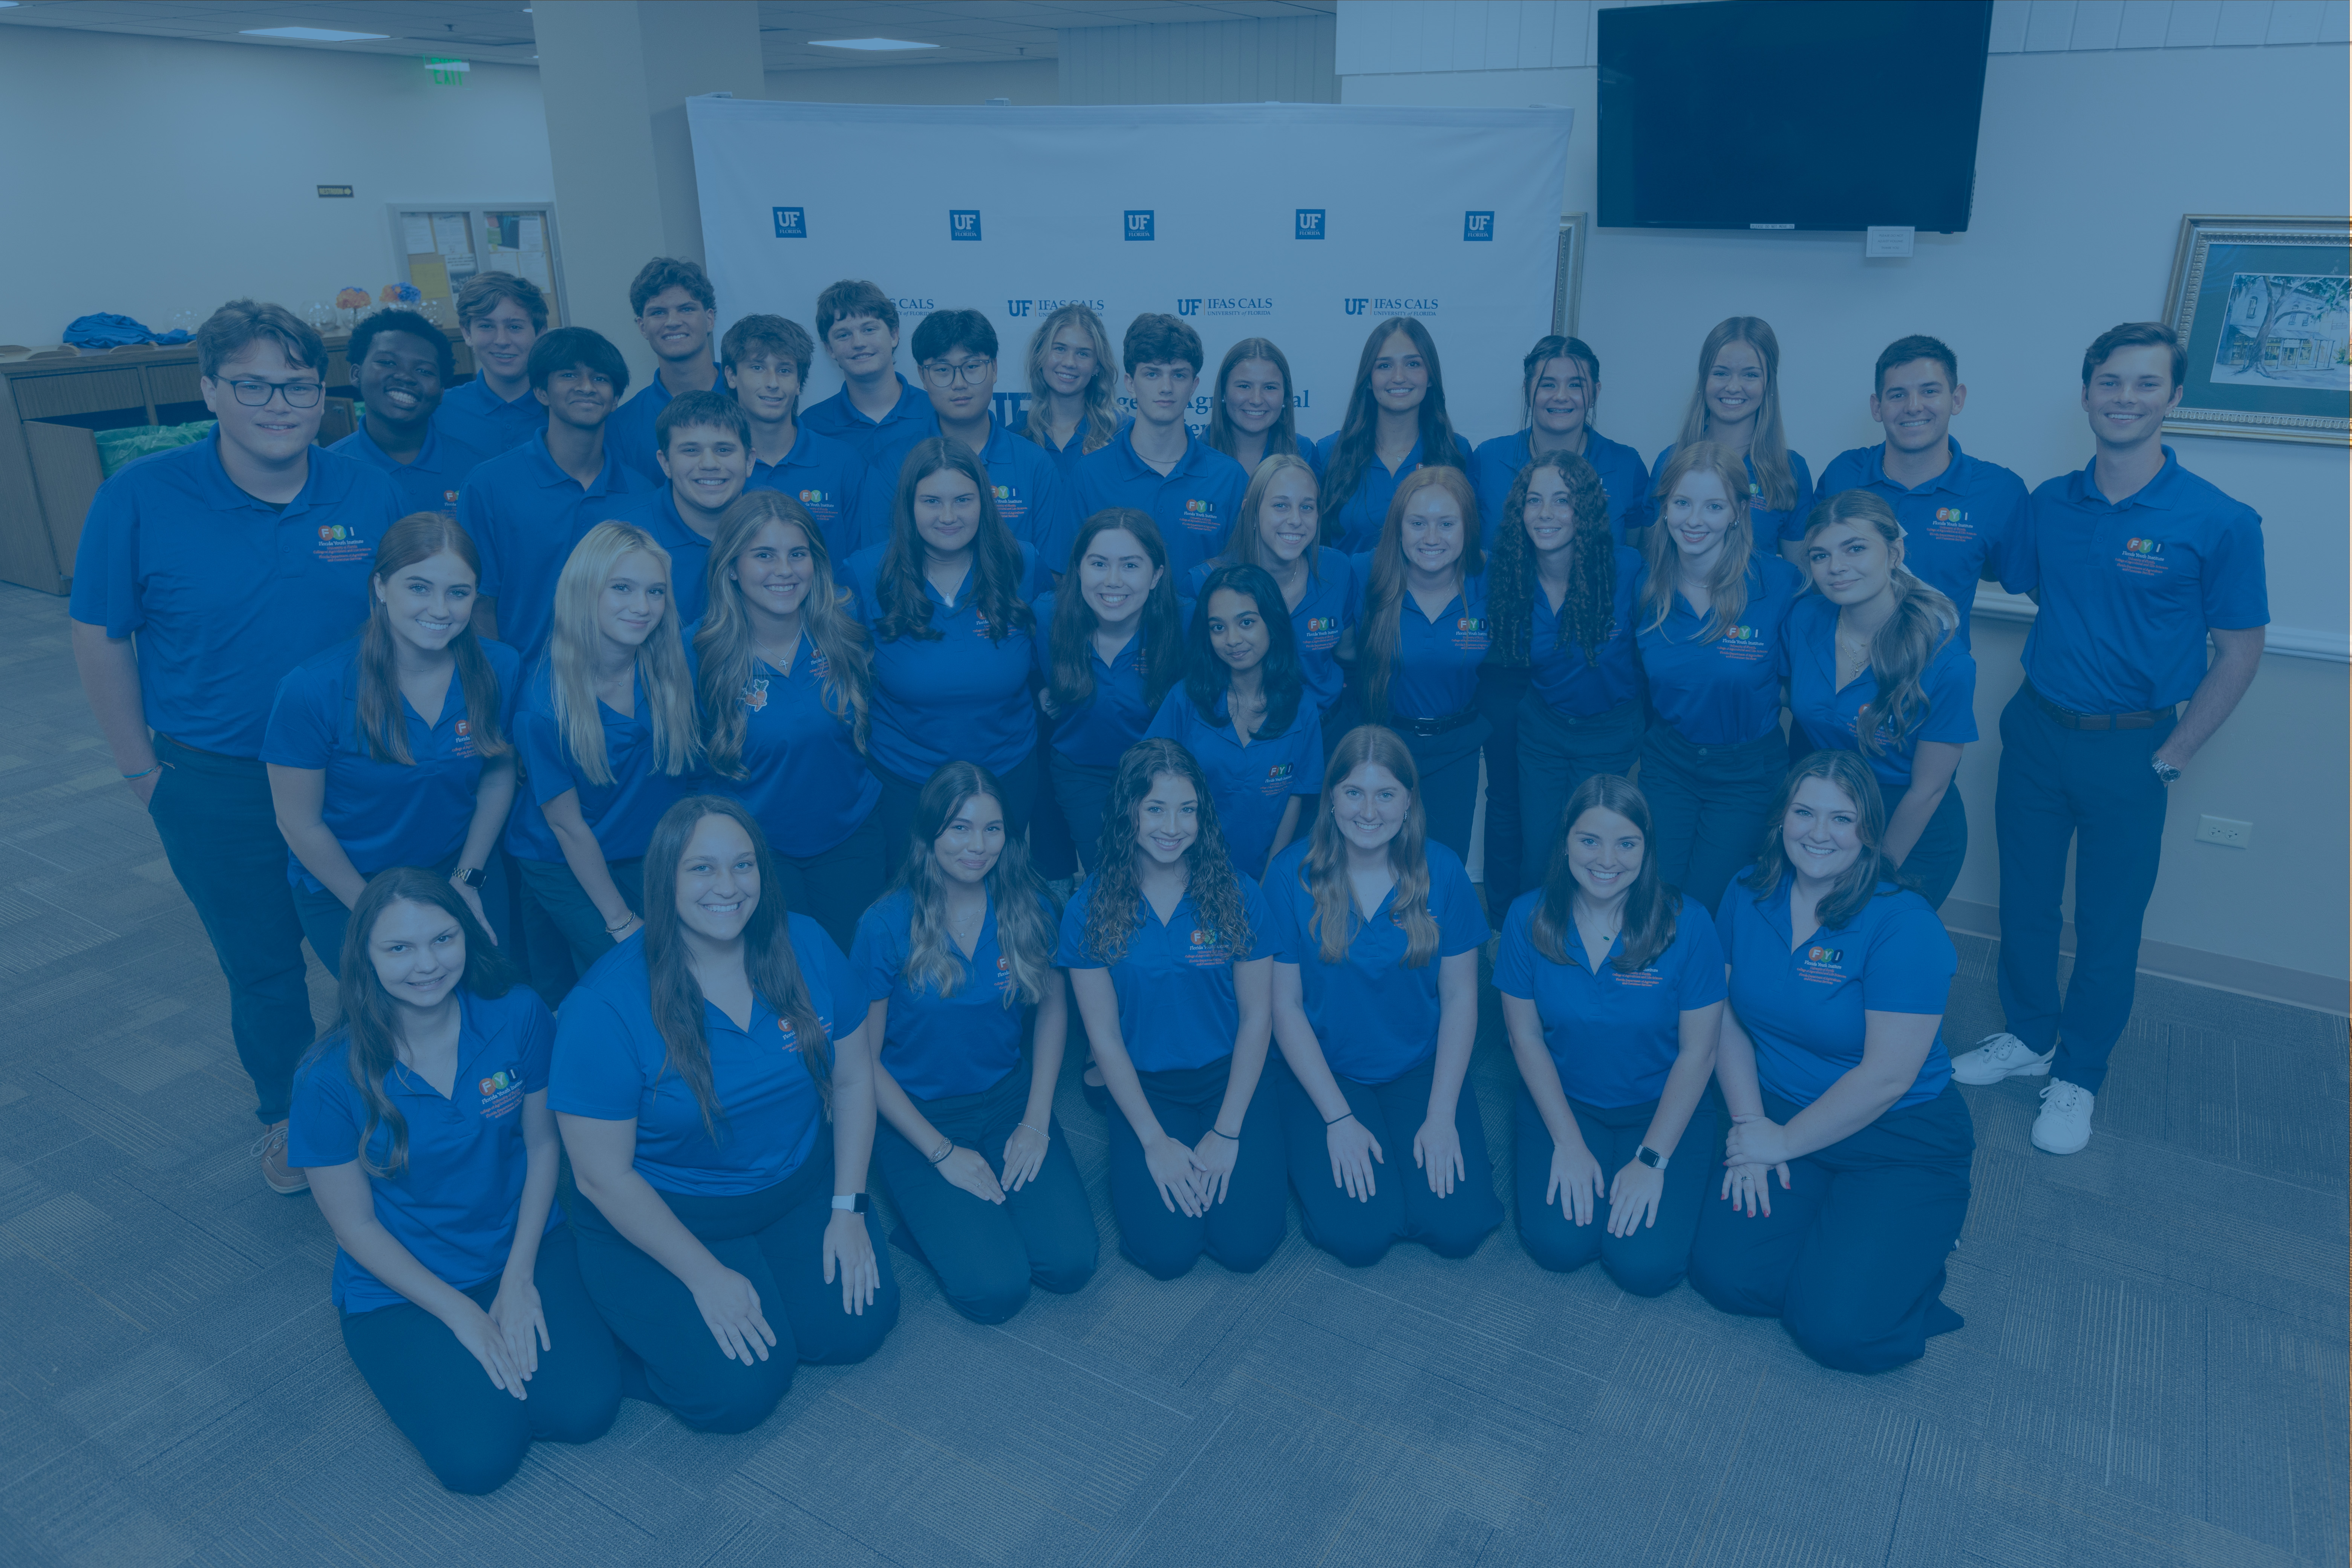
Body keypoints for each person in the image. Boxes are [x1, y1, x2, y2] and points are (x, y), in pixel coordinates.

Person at [70, 299, 402, 1194]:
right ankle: (290, 1118)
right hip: (215, 781)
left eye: (297, 383)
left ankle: (395, 1100)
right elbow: (102, 634)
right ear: (209, 389)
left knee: (377, 950)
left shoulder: (364, 489)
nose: (278, 402)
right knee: (260, 965)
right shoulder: (141, 497)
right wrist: (141, 770)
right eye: (252, 383)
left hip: (350, 773)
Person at [1955, 322, 2268, 1156]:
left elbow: (2240, 651)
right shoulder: (2051, 503)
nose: (2125, 398)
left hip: (2133, 749)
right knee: (2024, 902)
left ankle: (2079, 1075)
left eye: (2145, 384)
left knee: (2107, 923)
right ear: (2087, 393)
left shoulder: (2219, 519)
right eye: (2110, 383)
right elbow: (1987, 564)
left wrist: (2177, 753)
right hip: (2036, 729)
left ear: (2174, 398)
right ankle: (2029, 1036)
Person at [553, 797, 897, 1433]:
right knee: (739, 1396)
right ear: (664, 881)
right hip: (671, 1208)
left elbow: (853, 1079)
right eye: (702, 870)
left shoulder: (808, 945)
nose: (728, 887)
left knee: (856, 1329)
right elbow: (602, 1177)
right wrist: (704, 1276)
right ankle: (623, 1321)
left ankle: (759, 1281)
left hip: (792, 1189)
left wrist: (849, 1208)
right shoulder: (604, 1007)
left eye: (743, 866)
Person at [289, 868, 619, 1493]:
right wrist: (461, 1313)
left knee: (584, 1412)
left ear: (468, 935)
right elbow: (355, 1226)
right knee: (480, 1461)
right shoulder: (328, 1079)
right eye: (399, 949)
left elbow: (545, 1145)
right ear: (364, 956)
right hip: (406, 1282)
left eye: (443, 939)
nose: (427, 965)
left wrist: (519, 1276)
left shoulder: (517, 1013)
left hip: (521, 1244)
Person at [1687, 752, 1972, 1374]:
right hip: (1784, 1110)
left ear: (1869, 831)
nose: (1819, 833)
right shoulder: (1747, 892)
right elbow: (1725, 1017)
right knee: (1726, 1278)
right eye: (1805, 813)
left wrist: (1782, 1145)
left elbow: (1887, 1077)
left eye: (1842, 819)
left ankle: (1913, 1232)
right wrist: (1749, 1127)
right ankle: (1848, 1235)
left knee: (1838, 1330)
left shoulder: (1904, 924)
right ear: (1781, 820)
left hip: (1898, 1133)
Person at [853, 764, 1098, 1323]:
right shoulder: (884, 925)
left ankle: (976, 1219)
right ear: (929, 834)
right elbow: (860, 1063)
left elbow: (1055, 1005)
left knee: (1070, 1265)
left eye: (992, 830)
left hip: (1008, 1100)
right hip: (919, 1115)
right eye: (960, 829)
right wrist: (940, 1152)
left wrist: (1037, 1120)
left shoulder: (1027, 905)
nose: (978, 846)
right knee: (996, 1292)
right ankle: (940, 1221)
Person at [1265, 726, 1499, 1267]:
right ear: (1331, 799)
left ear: (1409, 801)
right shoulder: (1288, 876)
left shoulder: (1442, 871)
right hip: (1325, 1070)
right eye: (1353, 793)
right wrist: (1338, 1120)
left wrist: (1442, 1113)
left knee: (1456, 1228)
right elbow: (1284, 1007)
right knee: (1360, 1237)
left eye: (1386, 794)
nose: (1369, 812)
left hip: (1418, 1065)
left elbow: (1463, 997)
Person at [1055, 740, 1285, 1279]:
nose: (1172, 827)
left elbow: (1258, 1018)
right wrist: (1154, 1141)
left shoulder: (1238, 893)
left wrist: (1228, 1131)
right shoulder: (1088, 908)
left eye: (1187, 810)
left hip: (1231, 1080)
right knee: (1167, 1254)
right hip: (1147, 1090)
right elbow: (1105, 1039)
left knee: (1246, 1247)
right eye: (1156, 808)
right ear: (1128, 812)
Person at [1495, 775, 1724, 1296]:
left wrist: (1652, 1160)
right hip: (1566, 1101)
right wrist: (1568, 1142)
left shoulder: (1689, 924)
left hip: (1661, 1105)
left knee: (1645, 1267)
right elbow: (1525, 1038)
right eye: (1590, 840)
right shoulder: (1526, 917)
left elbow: (1700, 1052)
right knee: (1559, 1246)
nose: (1608, 859)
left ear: (1647, 847)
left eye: (1627, 843)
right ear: (1566, 843)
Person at [264, 514, 520, 975]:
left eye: (458, 593)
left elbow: (498, 774)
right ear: (381, 587)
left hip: (457, 867)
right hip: (350, 883)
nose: (441, 610)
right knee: (400, 1016)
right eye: (419, 588)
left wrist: (468, 877)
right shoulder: (313, 688)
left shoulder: (499, 667)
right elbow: (299, 823)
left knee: (494, 996)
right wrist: (374, 913)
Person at [503, 522, 697, 995]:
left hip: (641, 843)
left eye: (655, 591)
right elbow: (569, 828)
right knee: (628, 971)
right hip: (564, 856)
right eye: (622, 588)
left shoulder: (671, 667)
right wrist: (620, 920)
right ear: (584, 591)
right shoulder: (542, 705)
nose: (642, 606)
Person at [691, 489, 883, 956]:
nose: (784, 570)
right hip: (756, 853)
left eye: (798, 554)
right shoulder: (699, 652)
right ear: (732, 566)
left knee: (853, 973)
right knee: (782, 979)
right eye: (764, 555)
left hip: (852, 840)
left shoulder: (847, 628)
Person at [843, 437, 1044, 868]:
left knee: (1000, 905)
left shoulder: (1022, 565)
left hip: (1007, 774)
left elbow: (1048, 668)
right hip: (906, 781)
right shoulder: (865, 573)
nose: (949, 516)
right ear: (908, 505)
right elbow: (846, 681)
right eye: (932, 501)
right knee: (916, 911)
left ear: (984, 503)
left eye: (963, 500)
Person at [1632, 443, 1806, 914]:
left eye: (1714, 506)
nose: (1695, 519)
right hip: (1669, 763)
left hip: (1746, 772)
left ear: (1738, 512)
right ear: (1664, 507)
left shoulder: (1780, 583)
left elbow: (1802, 681)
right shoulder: (1645, 587)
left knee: (1704, 905)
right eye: (1683, 503)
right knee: (1652, 896)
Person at [1785, 491, 1973, 910]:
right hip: (1827, 817)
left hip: (1908, 825)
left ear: (1895, 552)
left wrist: (1874, 869)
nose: (1836, 567)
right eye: (1820, 555)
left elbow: (1929, 789)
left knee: (1878, 950)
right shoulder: (1804, 619)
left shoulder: (1946, 660)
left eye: (1855, 549)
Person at [1485, 452, 1646, 890]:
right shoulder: (1509, 579)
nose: (1546, 514)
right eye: (1534, 501)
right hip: (1543, 732)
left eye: (1562, 500)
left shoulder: (1627, 569)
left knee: (1593, 852)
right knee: (1540, 855)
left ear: (1586, 510)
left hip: (1610, 732)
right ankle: (1536, 949)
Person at [1813, 335, 2030, 650]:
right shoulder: (1842, 475)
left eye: (1930, 391)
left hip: (1936, 686)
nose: (1914, 407)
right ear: (1878, 407)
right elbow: (1814, 575)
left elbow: (2021, 582)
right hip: (1841, 674)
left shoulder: (1999, 491)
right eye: (1898, 395)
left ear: (1957, 399)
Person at [458, 325, 637, 662]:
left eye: (600, 379)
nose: (586, 387)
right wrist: (500, 686)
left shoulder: (642, 492)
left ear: (615, 400)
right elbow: (479, 603)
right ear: (541, 392)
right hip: (525, 689)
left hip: (624, 687)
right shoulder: (489, 486)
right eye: (569, 375)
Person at [853, 308, 1078, 566]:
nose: (958, 383)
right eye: (942, 370)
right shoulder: (891, 465)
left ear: (994, 369)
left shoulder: (1034, 464)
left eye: (972, 367)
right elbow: (879, 568)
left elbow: (1050, 576)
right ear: (923, 377)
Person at [1145, 564, 1325, 879]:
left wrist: (1271, 878)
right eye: (1218, 627)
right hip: (1181, 871)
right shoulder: (1185, 699)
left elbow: (1295, 798)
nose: (1232, 639)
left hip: (1260, 875)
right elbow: (1148, 786)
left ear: (1273, 623)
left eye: (1246, 623)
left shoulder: (1303, 708)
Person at [1351, 466, 1490, 863]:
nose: (1431, 538)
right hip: (1385, 743)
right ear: (1398, 528)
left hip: (1456, 747)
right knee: (1377, 860)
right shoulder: (1364, 573)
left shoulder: (1490, 576)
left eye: (1447, 524)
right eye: (1417, 523)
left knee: (1444, 863)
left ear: (1468, 528)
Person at [1035, 509, 1187, 868]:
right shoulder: (1047, 618)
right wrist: (1042, 690)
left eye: (1132, 566)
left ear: (1157, 576)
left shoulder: (1186, 622)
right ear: (1078, 569)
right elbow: (1025, 674)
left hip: (1162, 777)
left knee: (1164, 871)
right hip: (1082, 772)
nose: (1113, 580)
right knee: (1108, 875)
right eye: (1099, 564)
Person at [1071, 313, 1248, 580]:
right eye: (1152, 374)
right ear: (1130, 384)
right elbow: (1069, 578)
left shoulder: (1230, 478)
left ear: (1194, 387)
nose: (1166, 388)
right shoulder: (1089, 475)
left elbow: (1242, 579)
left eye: (1179, 375)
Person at [1187, 453, 1354, 729]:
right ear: (1251, 511)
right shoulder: (1204, 582)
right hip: (1242, 739)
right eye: (1281, 506)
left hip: (1327, 730)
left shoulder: (1337, 569)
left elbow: (1348, 653)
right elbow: (1194, 677)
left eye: (1307, 507)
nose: (1296, 520)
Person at [1469, 336, 1649, 548]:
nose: (1561, 396)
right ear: (1527, 391)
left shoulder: (1627, 465)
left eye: (1575, 385)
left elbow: (1633, 557)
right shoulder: (1488, 459)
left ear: (1595, 393)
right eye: (1548, 385)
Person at [1650, 317, 1812, 552]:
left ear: (1769, 385)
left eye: (1750, 375)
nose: (1734, 387)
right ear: (1703, 379)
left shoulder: (1791, 470)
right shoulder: (1669, 461)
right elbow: (1653, 559)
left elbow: (1797, 575)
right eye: (1721, 373)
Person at [1314, 317, 1474, 555]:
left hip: (1429, 592)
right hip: (1350, 592)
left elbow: (1468, 546)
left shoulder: (1456, 451)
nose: (1399, 377)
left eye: (1413, 364)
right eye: (1384, 366)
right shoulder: (1330, 452)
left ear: (1430, 377)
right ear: (1368, 379)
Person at [723, 312, 864, 562]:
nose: (773, 383)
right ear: (731, 376)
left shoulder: (842, 461)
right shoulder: (716, 464)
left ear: (799, 383)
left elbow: (860, 562)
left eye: (785, 370)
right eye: (758, 368)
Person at [608, 390, 751, 629]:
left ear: (750, 462)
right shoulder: (619, 538)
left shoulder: (776, 528)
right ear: (665, 463)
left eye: (724, 450)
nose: (709, 464)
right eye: (691, 450)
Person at [331, 307, 490, 518]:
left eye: (424, 371)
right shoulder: (326, 471)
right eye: (387, 362)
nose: (405, 377)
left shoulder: (478, 471)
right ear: (356, 374)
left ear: (442, 392)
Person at [607, 256, 720, 486]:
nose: (673, 322)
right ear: (642, 327)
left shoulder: (752, 401)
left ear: (710, 320)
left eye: (686, 309)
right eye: (658, 313)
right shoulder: (620, 426)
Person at [800, 279, 929, 461]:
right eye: (844, 335)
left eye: (869, 329)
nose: (859, 343)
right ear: (829, 349)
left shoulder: (936, 411)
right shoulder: (811, 426)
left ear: (894, 335)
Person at [435, 271, 549, 458]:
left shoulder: (563, 408)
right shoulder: (438, 410)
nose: (502, 340)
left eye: (515, 327)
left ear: (540, 334)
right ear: (467, 334)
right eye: (486, 326)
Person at [1020, 303, 1120, 468]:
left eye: (1083, 354)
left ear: (1097, 366)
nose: (1069, 363)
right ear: (1040, 355)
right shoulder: (1017, 436)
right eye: (1060, 349)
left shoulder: (1123, 433)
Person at [1205, 337, 1318, 475]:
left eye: (1270, 387)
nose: (1257, 400)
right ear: (1223, 393)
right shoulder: (1194, 455)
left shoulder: (1305, 452)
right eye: (1244, 386)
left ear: (1286, 397)